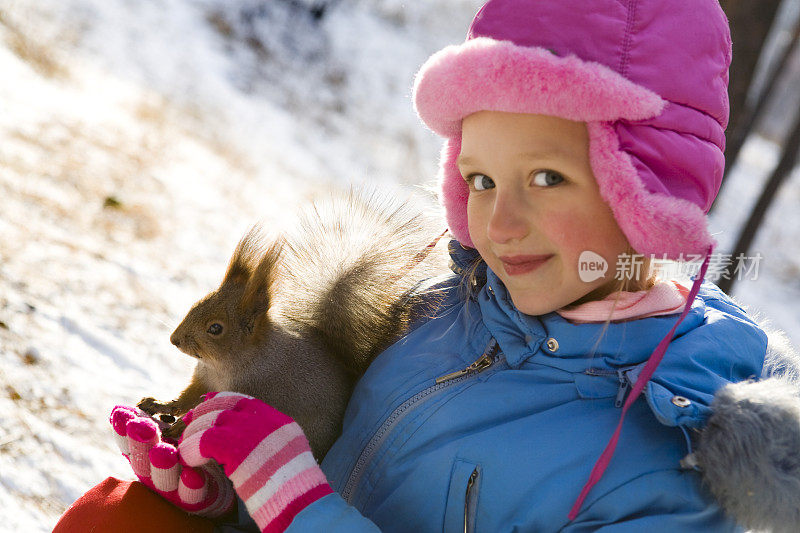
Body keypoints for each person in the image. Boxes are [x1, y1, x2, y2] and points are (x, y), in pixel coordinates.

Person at [54, 0, 800, 531]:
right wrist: (233, 497)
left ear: (645, 191)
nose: (499, 223)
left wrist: (296, 504)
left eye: (546, 178)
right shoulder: (441, 310)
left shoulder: (660, 454)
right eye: (480, 180)